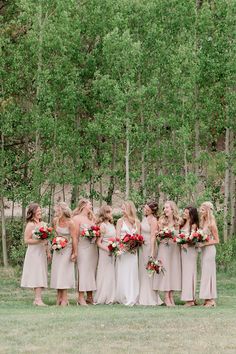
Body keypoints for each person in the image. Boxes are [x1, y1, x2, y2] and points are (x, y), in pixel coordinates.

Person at [21, 203, 50, 306]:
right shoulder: (30, 225)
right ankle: (38, 299)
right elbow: (26, 240)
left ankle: (37, 299)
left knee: (41, 273)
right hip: (34, 252)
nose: (40, 212)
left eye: (40, 211)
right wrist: (39, 241)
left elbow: (46, 240)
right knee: (37, 273)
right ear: (33, 212)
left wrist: (48, 251)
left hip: (42, 252)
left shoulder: (43, 224)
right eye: (38, 211)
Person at [153, 201, 181, 306]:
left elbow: (179, 236)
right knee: (165, 271)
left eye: (167, 208)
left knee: (173, 271)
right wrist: (161, 234)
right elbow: (157, 236)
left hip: (174, 249)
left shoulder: (178, 221)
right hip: (164, 248)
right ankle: (166, 296)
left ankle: (171, 296)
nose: (165, 210)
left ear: (172, 209)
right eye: (164, 208)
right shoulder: (161, 221)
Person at [50, 202, 77, 306]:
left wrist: (75, 253)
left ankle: (65, 299)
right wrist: (55, 243)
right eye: (56, 211)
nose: (56, 213)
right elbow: (55, 235)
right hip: (58, 249)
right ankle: (58, 298)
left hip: (67, 249)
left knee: (64, 273)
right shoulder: (55, 221)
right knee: (57, 272)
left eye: (58, 211)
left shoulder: (71, 223)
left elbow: (74, 238)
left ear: (63, 211)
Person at [73, 198, 98, 306]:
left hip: (92, 248)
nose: (91, 206)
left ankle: (90, 296)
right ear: (83, 206)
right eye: (90, 204)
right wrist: (75, 251)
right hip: (82, 248)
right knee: (82, 272)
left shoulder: (91, 219)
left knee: (91, 272)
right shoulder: (76, 219)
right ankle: (80, 297)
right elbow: (75, 237)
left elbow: (97, 232)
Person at [115, 200, 141, 306]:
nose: (122, 210)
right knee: (123, 272)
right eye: (121, 208)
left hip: (132, 252)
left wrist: (133, 244)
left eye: (124, 207)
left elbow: (138, 237)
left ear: (130, 208)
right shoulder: (120, 221)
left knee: (132, 273)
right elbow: (117, 236)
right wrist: (123, 245)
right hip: (123, 251)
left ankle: (132, 296)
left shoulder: (136, 221)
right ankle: (123, 296)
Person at [138, 201, 163, 306]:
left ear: (152, 210)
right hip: (142, 247)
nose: (145, 210)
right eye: (144, 208)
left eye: (147, 208)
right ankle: (141, 294)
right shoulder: (144, 218)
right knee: (142, 271)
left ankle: (150, 297)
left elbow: (153, 236)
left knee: (148, 270)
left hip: (149, 246)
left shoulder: (153, 220)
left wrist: (152, 251)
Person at [94, 205, 116, 304]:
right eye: (109, 212)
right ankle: (103, 296)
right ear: (105, 213)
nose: (111, 214)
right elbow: (98, 242)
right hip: (105, 251)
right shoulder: (103, 225)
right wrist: (108, 250)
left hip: (112, 250)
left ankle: (111, 296)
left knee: (111, 273)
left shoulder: (111, 224)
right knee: (104, 272)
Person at [199, 202, 219, 307]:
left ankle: (211, 300)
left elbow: (217, 240)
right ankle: (207, 299)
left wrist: (204, 244)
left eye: (202, 210)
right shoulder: (203, 222)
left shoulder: (211, 223)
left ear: (207, 210)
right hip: (204, 250)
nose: (200, 211)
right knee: (205, 273)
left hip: (210, 250)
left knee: (209, 273)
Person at [180, 206, 199, 306]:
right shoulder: (183, 223)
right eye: (184, 211)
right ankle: (191, 298)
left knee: (190, 273)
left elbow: (194, 239)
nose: (184, 213)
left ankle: (190, 300)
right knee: (186, 274)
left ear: (191, 214)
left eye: (186, 212)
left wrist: (187, 242)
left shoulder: (193, 225)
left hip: (190, 251)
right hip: (183, 251)